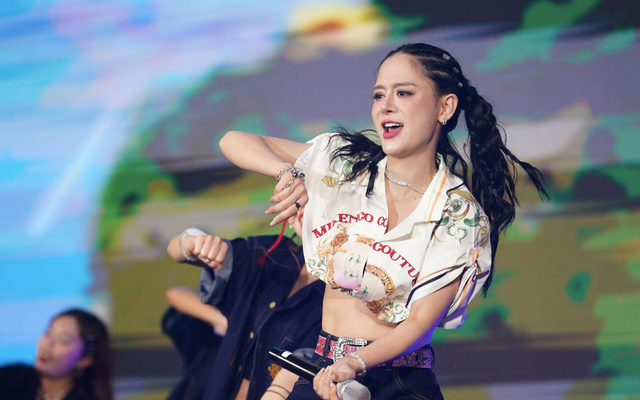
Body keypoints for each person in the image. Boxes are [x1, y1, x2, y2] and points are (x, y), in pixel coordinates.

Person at [219, 42, 548, 399]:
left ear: (445, 107)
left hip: (396, 381)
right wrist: (287, 173)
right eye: (379, 95)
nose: (385, 105)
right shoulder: (344, 167)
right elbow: (234, 140)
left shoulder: (458, 213)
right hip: (325, 370)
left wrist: (355, 363)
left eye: (404, 93)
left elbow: (420, 322)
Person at [164, 211, 325, 400]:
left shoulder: (344, 293)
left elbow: (300, 370)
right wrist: (192, 243)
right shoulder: (270, 253)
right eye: (301, 200)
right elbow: (176, 252)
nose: (306, 208)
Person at [0, 309, 113, 400]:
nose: (48, 343)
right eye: (48, 333)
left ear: (85, 359)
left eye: (64, 340)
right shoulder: (12, 378)